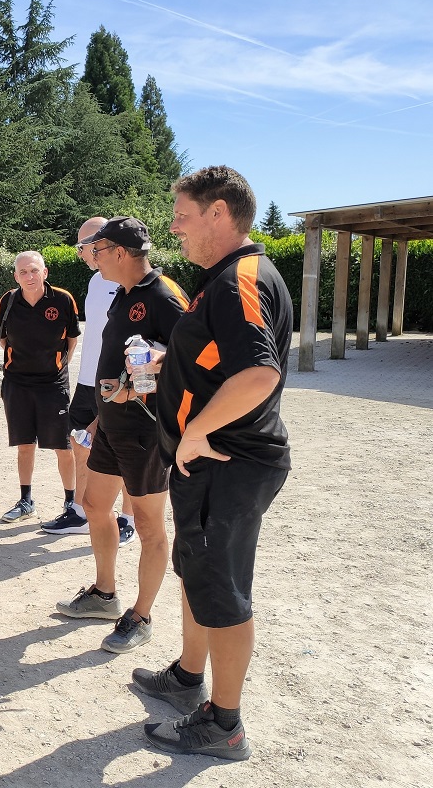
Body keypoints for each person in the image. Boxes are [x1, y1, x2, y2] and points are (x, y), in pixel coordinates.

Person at [135, 166, 292, 761]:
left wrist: (196, 431)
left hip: (228, 462)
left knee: (221, 590)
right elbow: (222, 359)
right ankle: (186, 676)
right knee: (197, 572)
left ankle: (224, 723)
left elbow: (259, 374)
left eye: (183, 216)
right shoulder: (224, 278)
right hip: (211, 465)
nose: (174, 227)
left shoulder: (237, 281)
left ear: (219, 212)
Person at [54, 216, 188, 654]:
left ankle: (141, 615)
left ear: (119, 252)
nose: (92, 256)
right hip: (111, 424)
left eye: (97, 249)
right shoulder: (122, 294)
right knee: (95, 505)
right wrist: (99, 417)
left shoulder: (164, 295)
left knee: (148, 525)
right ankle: (105, 594)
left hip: (146, 429)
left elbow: (194, 360)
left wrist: (140, 383)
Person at [41, 217, 137, 546]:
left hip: (119, 383)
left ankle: (127, 519)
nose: (83, 253)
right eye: (82, 247)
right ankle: (80, 512)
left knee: (125, 451)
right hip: (88, 381)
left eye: (84, 245)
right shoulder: (97, 281)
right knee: (80, 444)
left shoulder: (134, 281)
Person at [0, 251, 80, 524]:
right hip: (17, 383)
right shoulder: (7, 301)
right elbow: (4, 340)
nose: (29, 276)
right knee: (24, 445)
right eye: (23, 272)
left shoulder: (63, 300)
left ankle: (71, 502)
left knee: (63, 446)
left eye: (34, 270)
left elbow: (72, 340)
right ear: (15, 276)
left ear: (45, 272)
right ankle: (26, 500)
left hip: (53, 384)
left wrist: (56, 366)